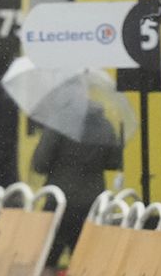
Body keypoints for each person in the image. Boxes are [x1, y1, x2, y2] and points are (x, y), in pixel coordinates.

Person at [31, 104, 124, 267]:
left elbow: (40, 164)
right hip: (92, 203)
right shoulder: (105, 125)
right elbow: (114, 162)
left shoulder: (60, 123)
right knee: (86, 262)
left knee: (47, 261)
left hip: (60, 202)